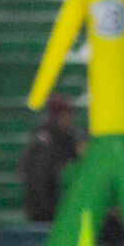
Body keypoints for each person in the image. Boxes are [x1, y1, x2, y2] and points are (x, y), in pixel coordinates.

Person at [19, 94, 82, 223]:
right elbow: (39, 177)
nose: (70, 119)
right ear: (56, 116)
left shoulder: (67, 138)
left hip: (59, 207)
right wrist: (47, 208)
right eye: (66, 114)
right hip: (44, 210)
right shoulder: (45, 141)